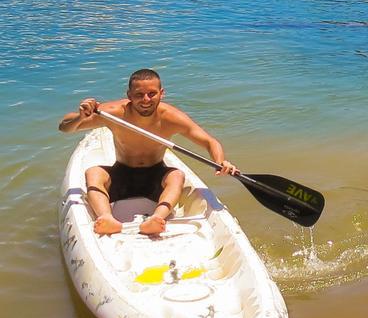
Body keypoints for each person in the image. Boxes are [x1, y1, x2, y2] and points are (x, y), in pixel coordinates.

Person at [59, 68, 237, 236]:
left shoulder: (171, 117)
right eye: (139, 95)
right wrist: (80, 117)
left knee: (176, 175)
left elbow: (209, 141)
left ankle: (157, 218)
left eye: (152, 94)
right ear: (129, 95)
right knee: (93, 172)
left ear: (162, 93)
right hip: (122, 173)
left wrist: (220, 162)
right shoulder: (113, 113)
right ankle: (106, 217)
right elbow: (65, 127)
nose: (146, 99)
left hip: (155, 177)